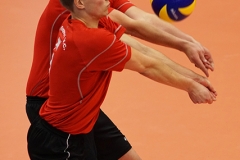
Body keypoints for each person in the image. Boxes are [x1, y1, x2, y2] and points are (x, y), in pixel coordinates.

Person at [27, 0, 217, 159]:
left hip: (81, 111)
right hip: (51, 110)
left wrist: (188, 46)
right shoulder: (88, 33)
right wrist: (190, 85)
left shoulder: (93, 16)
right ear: (80, 3)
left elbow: (137, 25)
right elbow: (145, 63)